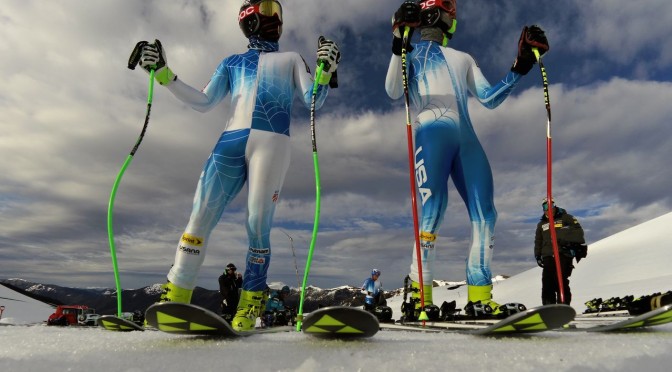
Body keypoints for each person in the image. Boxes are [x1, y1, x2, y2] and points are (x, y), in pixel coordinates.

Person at [136, 0, 341, 331]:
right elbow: (204, 100)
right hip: (232, 142)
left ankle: (251, 302)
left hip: (271, 144)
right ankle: (177, 293)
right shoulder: (232, 62)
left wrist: (325, 70)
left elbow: (313, 99)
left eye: (279, 12)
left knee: (257, 222)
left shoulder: (289, 59)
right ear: (251, 17)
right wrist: (162, 73)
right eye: (271, 10)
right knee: (199, 216)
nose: (277, 18)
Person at [385, 0, 549, 317]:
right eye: (447, 8)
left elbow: (487, 98)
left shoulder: (463, 58)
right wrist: (398, 43)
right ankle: (419, 296)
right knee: (433, 210)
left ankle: (480, 296)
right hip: (432, 133)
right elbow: (394, 90)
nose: (449, 14)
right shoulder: (412, 53)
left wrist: (520, 67)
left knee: (486, 214)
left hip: (466, 140)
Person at [534, 198, 586, 305]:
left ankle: (563, 305)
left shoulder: (566, 218)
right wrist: (538, 256)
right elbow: (538, 240)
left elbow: (578, 232)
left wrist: (563, 236)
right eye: (545, 207)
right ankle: (548, 307)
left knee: (560, 280)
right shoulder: (541, 224)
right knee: (547, 282)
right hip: (548, 255)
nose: (548, 209)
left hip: (563, 253)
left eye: (550, 205)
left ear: (554, 206)